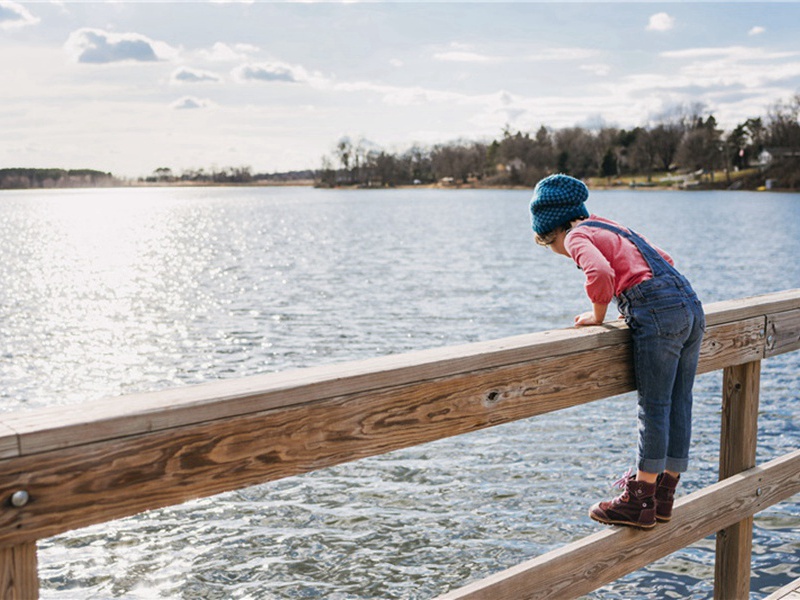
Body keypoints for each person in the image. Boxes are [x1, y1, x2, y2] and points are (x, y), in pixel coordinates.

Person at [529, 173, 705, 529]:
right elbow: (663, 257)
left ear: (555, 232)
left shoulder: (577, 236)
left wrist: (598, 317)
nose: (563, 254)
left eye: (553, 248)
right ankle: (664, 495)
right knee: (679, 400)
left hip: (656, 312)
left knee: (654, 406)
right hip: (690, 306)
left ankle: (640, 498)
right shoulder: (608, 225)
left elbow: (600, 272)